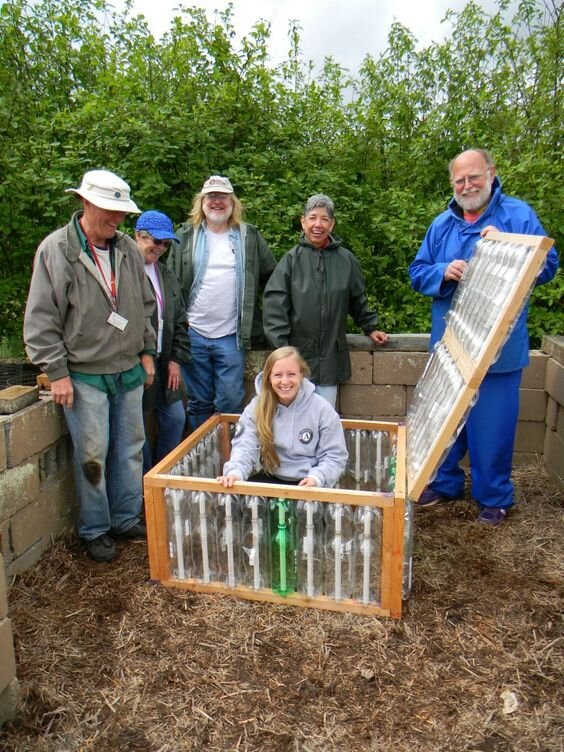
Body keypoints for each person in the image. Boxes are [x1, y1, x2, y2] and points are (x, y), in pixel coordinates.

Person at [409, 148, 559, 526]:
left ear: (491, 173)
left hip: (499, 351)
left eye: (474, 177)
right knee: (444, 420)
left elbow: (548, 264)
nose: (467, 185)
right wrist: (443, 271)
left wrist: (506, 246)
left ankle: (494, 498)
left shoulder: (518, 215)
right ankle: (445, 485)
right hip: (451, 347)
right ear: (451, 184)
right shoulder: (441, 225)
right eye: (459, 180)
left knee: (492, 429)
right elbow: (417, 272)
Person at [24, 169, 156, 562]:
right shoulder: (57, 250)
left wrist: (147, 351)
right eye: (110, 211)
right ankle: (96, 528)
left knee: (131, 448)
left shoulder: (128, 250)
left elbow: (144, 307)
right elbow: (41, 320)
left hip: (128, 368)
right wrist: (58, 372)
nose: (117, 220)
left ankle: (125, 516)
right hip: (84, 374)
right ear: (85, 203)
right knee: (93, 454)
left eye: (121, 213)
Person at [167, 175, 276, 431]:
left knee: (231, 401)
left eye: (223, 197)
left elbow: (273, 278)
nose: (217, 202)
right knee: (199, 402)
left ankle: (229, 460)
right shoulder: (184, 235)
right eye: (211, 197)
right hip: (193, 332)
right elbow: (169, 283)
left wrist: (271, 321)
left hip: (231, 335)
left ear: (232, 202)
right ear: (201, 202)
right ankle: (202, 459)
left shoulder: (249, 236)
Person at [262, 194, 388, 408]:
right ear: (303, 222)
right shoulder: (290, 261)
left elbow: (358, 299)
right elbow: (274, 308)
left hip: (331, 360)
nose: (317, 225)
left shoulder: (347, 260)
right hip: (297, 362)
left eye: (324, 219)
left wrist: (370, 327)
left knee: (325, 421)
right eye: (312, 218)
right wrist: (282, 353)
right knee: (294, 422)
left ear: (332, 224)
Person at [217, 346, 348, 488]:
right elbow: (245, 446)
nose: (285, 381)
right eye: (278, 375)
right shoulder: (256, 407)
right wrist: (236, 472)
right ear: (268, 378)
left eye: (291, 374)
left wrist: (317, 478)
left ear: (301, 375)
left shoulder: (322, 409)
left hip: (309, 481)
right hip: (271, 478)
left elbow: (334, 455)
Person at [134, 211, 191, 470]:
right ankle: (146, 485)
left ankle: (162, 471)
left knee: (176, 418)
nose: (160, 248)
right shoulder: (125, 270)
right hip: (135, 362)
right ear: (138, 236)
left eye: (166, 244)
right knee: (139, 429)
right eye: (155, 242)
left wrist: (176, 360)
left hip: (165, 358)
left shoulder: (166, 274)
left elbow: (180, 320)